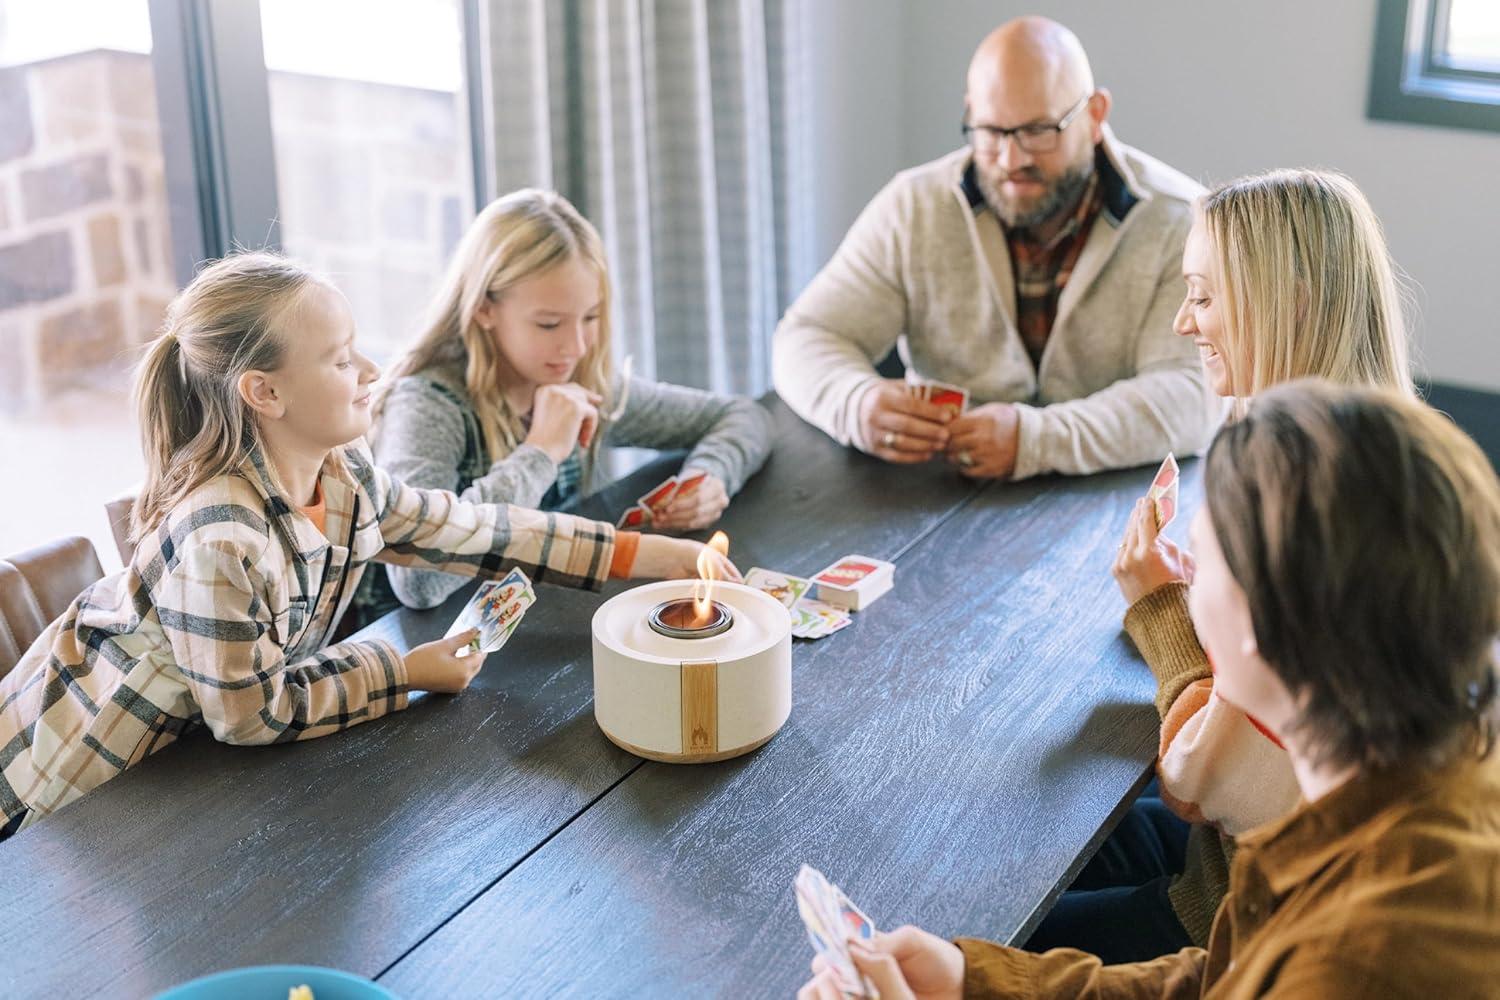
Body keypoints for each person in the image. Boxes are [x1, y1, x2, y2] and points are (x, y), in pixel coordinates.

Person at [798, 380, 1500, 998]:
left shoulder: (1361, 961)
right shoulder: (1407, 791)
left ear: (1266, 619)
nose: (1189, 572)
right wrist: (972, 983)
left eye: (1207, 552)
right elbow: (1221, 979)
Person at [0, 252, 735, 839]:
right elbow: (250, 715)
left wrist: (645, 556)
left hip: (177, 771)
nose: (372, 373)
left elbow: (470, 528)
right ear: (265, 393)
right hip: (68, 788)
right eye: (343, 359)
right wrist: (404, 669)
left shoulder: (345, 472)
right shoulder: (219, 538)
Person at [1025, 168, 1415, 962]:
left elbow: (1204, 782)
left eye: (1202, 297)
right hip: (1255, 864)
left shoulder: (1303, 506)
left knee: (994, 943)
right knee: (1037, 843)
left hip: (1256, 924)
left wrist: (1161, 616)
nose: (1182, 322)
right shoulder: (1387, 452)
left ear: (1291, 302)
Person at [772, 16, 1215, 481]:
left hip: (1122, 501)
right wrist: (855, 402)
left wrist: (1036, 440)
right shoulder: (913, 207)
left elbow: (1192, 398)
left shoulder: (1180, 220)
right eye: (991, 131)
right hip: (939, 496)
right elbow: (805, 336)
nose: (1012, 160)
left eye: (1039, 130)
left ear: (1095, 115)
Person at [347, 189, 772, 629]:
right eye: (549, 323)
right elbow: (417, 584)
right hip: (411, 651)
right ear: (484, 310)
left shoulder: (580, 382)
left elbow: (744, 416)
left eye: (590, 317)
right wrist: (541, 452)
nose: (576, 346)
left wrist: (709, 477)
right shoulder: (427, 404)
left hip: (528, 622)